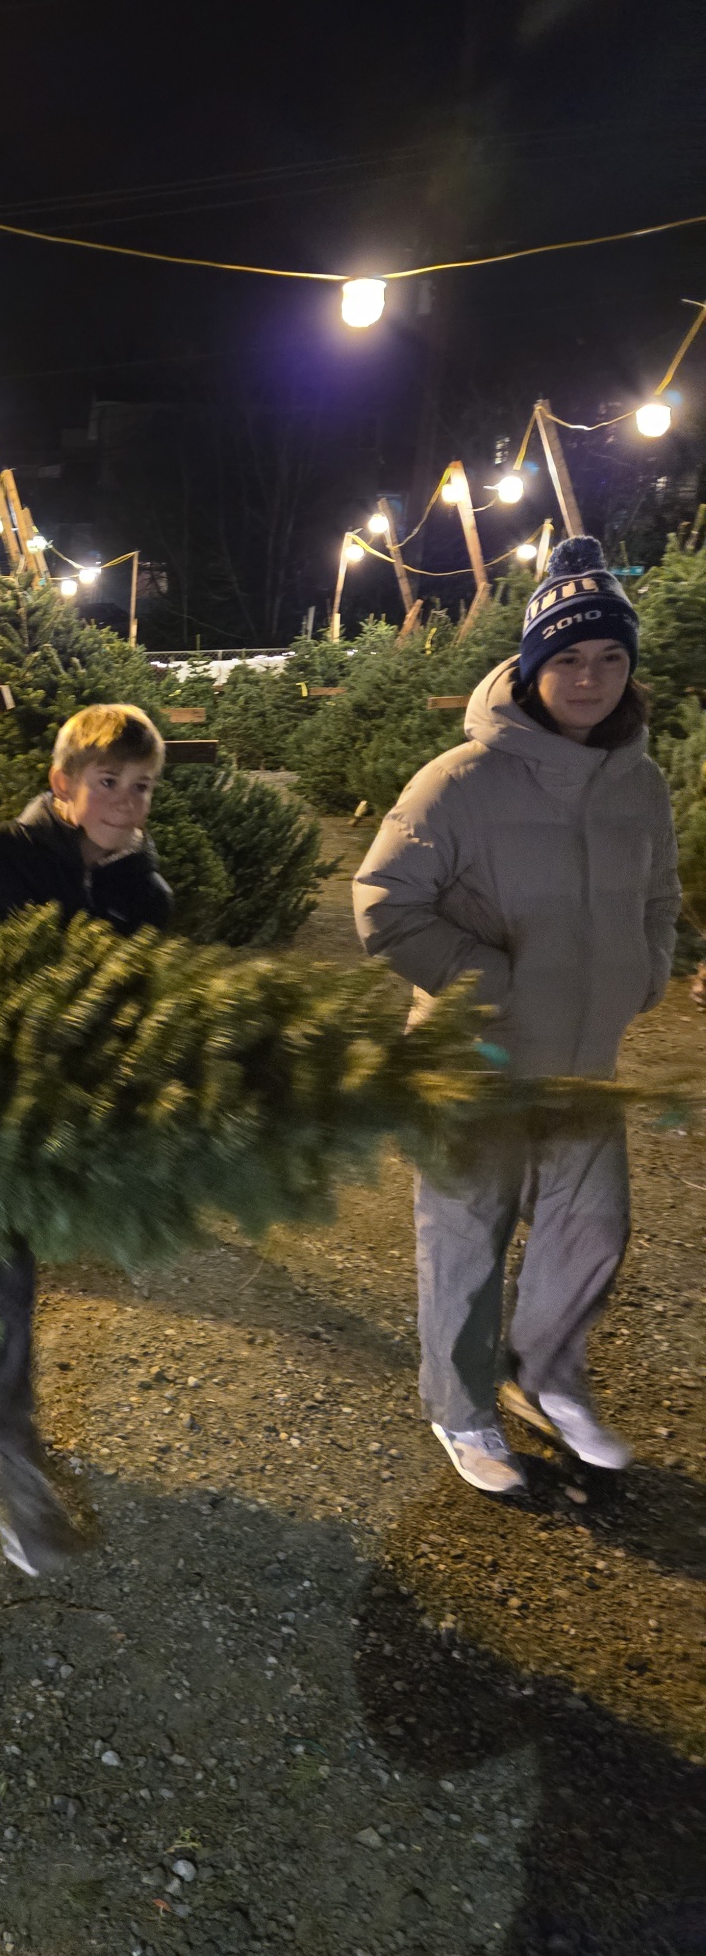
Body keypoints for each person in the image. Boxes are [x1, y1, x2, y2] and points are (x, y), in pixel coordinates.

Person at [353, 535, 679, 1496]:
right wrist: (480, 978)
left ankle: (546, 1379)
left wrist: (647, 967)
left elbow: (657, 893)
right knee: (469, 1235)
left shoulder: (640, 783)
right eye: (570, 659)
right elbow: (383, 901)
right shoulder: (460, 780)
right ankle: (462, 1410)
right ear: (533, 668)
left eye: (610, 658)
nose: (591, 678)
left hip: (587, 1058)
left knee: (591, 1233)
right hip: (478, 1057)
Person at [0, 702, 172, 1573]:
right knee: (9, 1269)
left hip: (65, 1115)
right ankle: (23, 1490)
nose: (127, 803)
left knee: (14, 1263)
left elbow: (143, 1008)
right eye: (108, 783)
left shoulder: (145, 893)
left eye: (141, 787)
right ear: (63, 785)